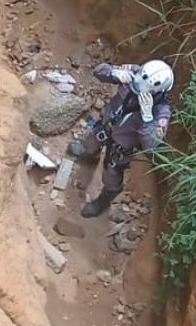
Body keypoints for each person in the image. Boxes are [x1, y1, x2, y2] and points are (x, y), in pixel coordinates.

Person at [67, 59, 174, 218]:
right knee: (91, 141)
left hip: (121, 145)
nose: (136, 89)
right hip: (105, 125)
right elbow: (99, 71)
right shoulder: (134, 71)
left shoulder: (161, 111)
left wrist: (147, 118)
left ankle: (105, 198)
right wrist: (113, 73)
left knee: (112, 174)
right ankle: (89, 154)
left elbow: (151, 145)